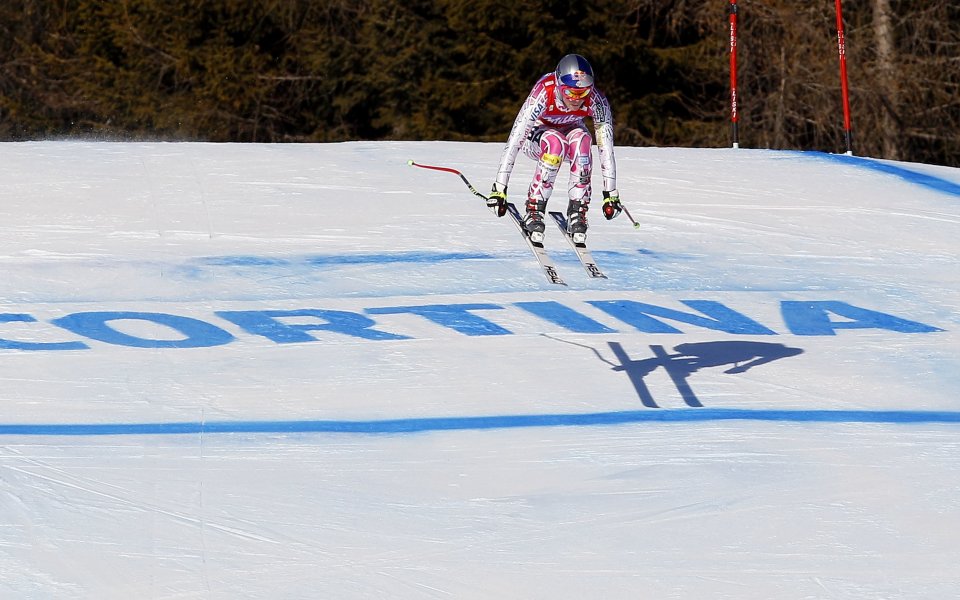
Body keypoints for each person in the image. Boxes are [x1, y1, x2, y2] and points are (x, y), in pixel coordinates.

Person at [487, 53, 623, 244]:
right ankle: (534, 209)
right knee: (555, 143)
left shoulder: (597, 101)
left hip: (571, 131)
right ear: (559, 86)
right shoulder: (544, 91)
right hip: (537, 137)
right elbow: (515, 139)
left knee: (583, 140)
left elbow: (605, 147)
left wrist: (611, 194)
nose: (576, 99)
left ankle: (578, 209)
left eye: (583, 93)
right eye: (570, 93)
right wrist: (499, 188)